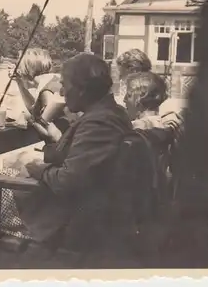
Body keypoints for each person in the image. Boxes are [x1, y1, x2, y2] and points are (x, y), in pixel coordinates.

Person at [11, 53, 134, 266]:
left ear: (82, 89)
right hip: (89, 210)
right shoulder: (112, 113)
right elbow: (86, 159)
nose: (60, 92)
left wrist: (37, 169)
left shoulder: (98, 122)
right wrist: (55, 142)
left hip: (72, 222)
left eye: (65, 85)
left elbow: (68, 180)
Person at [10, 48, 70, 142]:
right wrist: (19, 83)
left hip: (61, 151)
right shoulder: (54, 81)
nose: (19, 72)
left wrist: (31, 121)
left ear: (28, 71)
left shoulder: (47, 92)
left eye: (20, 69)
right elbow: (35, 109)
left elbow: (54, 137)